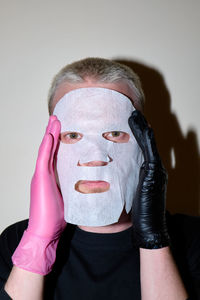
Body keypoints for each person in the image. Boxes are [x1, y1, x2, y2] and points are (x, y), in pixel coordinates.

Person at [0, 57, 199, 300]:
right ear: (49, 144)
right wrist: (38, 243)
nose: (95, 158)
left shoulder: (192, 239)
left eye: (115, 133)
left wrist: (153, 240)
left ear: (143, 141)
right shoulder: (14, 242)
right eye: (73, 135)